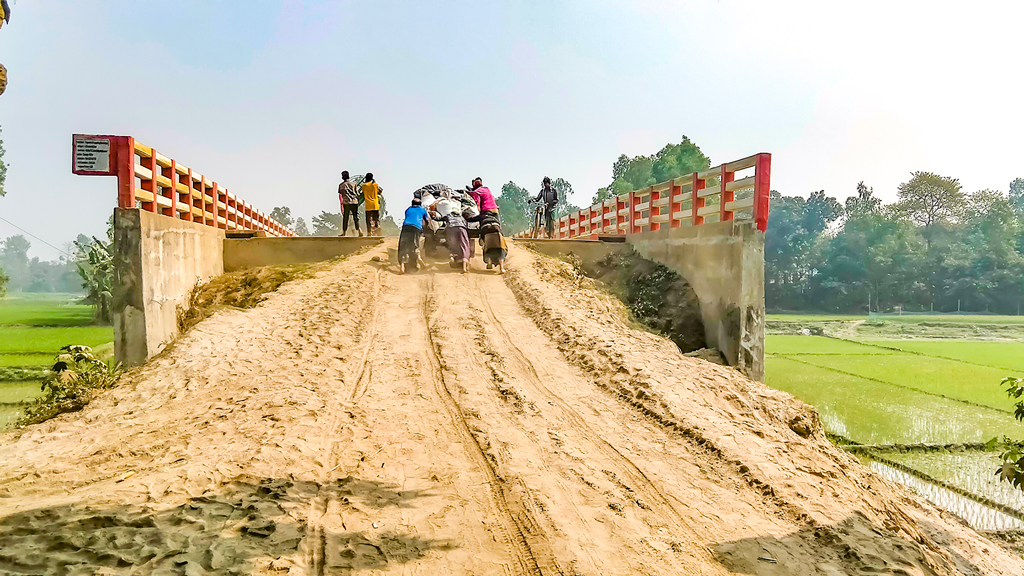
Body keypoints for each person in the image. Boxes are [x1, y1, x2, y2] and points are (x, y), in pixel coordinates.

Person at [429, 198, 472, 273]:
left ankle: (453, 256)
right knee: (464, 245)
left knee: (453, 244)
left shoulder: (448, 215)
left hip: (451, 228)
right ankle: (465, 264)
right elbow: (466, 224)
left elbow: (438, 219)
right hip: (461, 228)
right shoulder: (461, 217)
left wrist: (432, 215)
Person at [399, 198, 430, 273]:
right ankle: (417, 263)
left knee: (403, 246)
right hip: (416, 228)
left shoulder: (408, 209)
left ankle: (402, 267)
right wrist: (425, 230)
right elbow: (426, 221)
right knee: (414, 246)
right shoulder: (422, 210)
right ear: (420, 204)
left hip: (405, 227)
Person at [338, 171, 362, 237]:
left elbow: (341, 194)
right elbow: (357, 194)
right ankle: (359, 231)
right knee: (356, 217)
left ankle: (344, 233)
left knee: (346, 218)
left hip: (346, 203)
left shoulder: (341, 185)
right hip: (354, 202)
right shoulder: (354, 184)